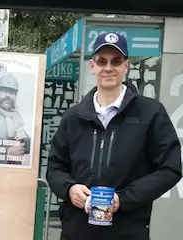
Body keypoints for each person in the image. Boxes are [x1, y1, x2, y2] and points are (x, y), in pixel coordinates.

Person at [46, 32, 182, 240]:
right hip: (77, 232)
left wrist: (125, 198)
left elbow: (170, 168)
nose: (108, 67)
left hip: (127, 232)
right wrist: (69, 188)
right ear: (92, 66)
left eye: (116, 61)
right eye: (102, 61)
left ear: (125, 65)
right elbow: (55, 167)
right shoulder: (73, 117)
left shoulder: (151, 113)